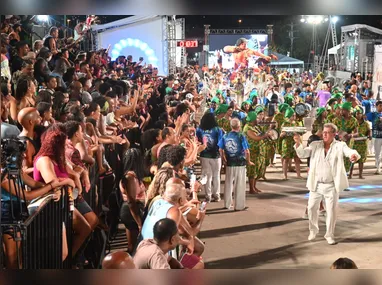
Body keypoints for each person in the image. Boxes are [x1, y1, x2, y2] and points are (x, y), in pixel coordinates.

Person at [294, 123, 360, 245]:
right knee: (312, 208)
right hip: (316, 185)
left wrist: (354, 155)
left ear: (334, 134)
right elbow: (302, 154)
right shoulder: (315, 145)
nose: (324, 134)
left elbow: (350, 151)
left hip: (331, 185)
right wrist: (298, 143)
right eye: (323, 132)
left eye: (327, 132)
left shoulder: (340, 145)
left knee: (331, 211)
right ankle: (313, 230)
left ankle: (329, 235)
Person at [218, 118, 253, 211]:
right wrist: (248, 161)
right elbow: (247, 151)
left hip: (229, 163)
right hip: (240, 163)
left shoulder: (225, 136)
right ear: (239, 126)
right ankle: (239, 205)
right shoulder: (241, 136)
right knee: (240, 185)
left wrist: (224, 159)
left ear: (231, 126)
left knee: (228, 184)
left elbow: (220, 149)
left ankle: (227, 204)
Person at [196, 112, 224, 202]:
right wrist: (223, 155)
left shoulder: (199, 129)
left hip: (204, 155)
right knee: (216, 176)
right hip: (215, 155)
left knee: (206, 176)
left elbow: (198, 141)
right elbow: (220, 144)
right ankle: (217, 195)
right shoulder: (217, 129)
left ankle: (208, 196)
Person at [349, 107, 370, 179]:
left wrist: (369, 135)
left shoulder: (366, 123)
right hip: (354, 143)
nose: (358, 115)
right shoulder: (353, 122)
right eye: (357, 114)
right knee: (352, 159)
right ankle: (350, 174)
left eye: (360, 114)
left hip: (363, 143)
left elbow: (369, 131)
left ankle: (360, 175)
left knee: (361, 160)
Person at [366, 100, 382, 174]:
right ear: (376, 106)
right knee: (377, 153)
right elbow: (365, 117)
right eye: (380, 106)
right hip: (376, 136)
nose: (381, 107)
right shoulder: (372, 114)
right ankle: (378, 167)